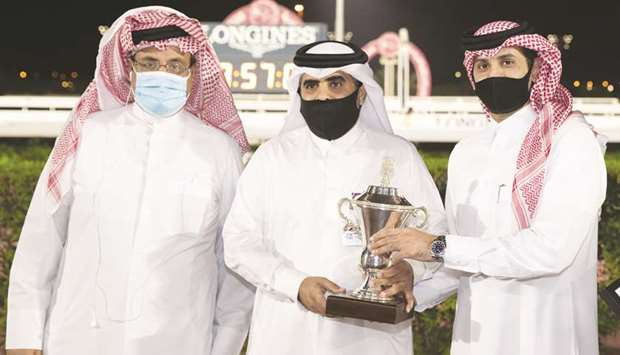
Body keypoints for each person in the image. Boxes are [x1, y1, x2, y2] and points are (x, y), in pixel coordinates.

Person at [6, 6, 254, 355]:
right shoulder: (87, 134)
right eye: (149, 63)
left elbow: (233, 267)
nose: (161, 73)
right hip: (78, 337)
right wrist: (23, 335)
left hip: (177, 342)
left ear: (193, 73)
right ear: (130, 69)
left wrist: (225, 347)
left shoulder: (221, 151)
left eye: (174, 65)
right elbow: (41, 239)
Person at [369, 20, 607, 355]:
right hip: (477, 341)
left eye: (507, 62)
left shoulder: (572, 140)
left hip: (548, 338)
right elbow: (460, 258)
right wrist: (414, 281)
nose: (493, 73)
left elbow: (550, 250)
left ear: (537, 69)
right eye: (483, 65)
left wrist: (436, 246)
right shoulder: (466, 152)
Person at [222, 40, 446, 355]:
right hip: (286, 332)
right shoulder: (272, 157)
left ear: (362, 92)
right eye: (311, 86)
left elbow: (435, 232)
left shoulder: (398, 154)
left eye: (336, 83)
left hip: (373, 338)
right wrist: (294, 285)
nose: (323, 95)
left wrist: (410, 270)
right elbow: (237, 242)